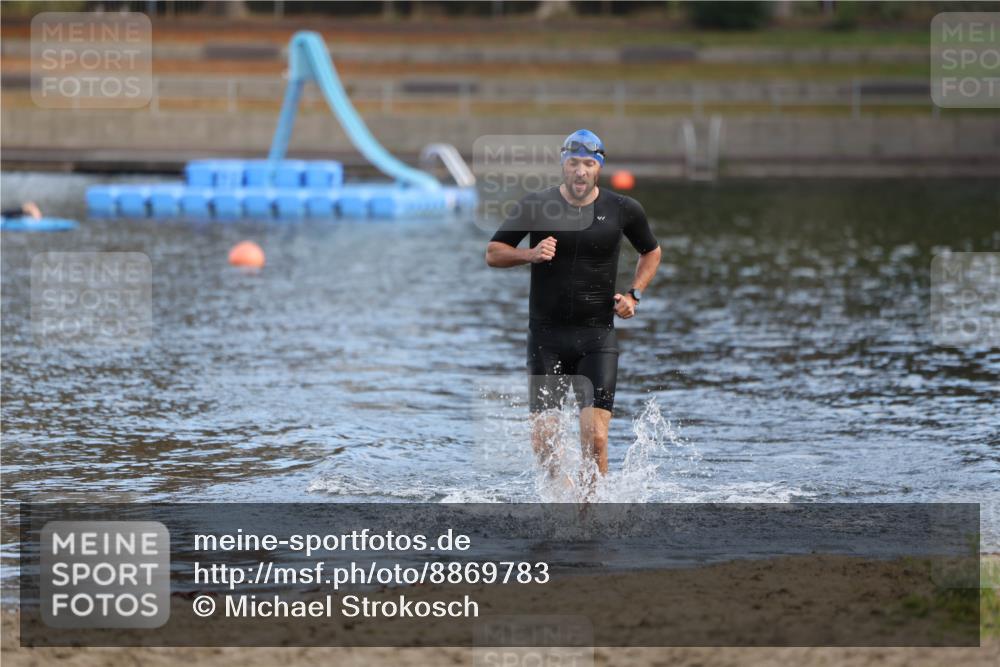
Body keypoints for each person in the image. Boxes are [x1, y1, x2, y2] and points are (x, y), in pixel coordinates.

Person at [485, 129, 662, 497]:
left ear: (599, 168)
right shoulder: (537, 206)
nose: (580, 171)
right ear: (562, 165)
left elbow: (651, 251)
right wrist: (530, 254)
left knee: (595, 438)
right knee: (544, 439)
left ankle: (590, 514)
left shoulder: (623, 209)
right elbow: (494, 252)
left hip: (597, 338)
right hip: (546, 338)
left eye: (588, 164)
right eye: (573, 163)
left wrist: (634, 294)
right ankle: (562, 502)